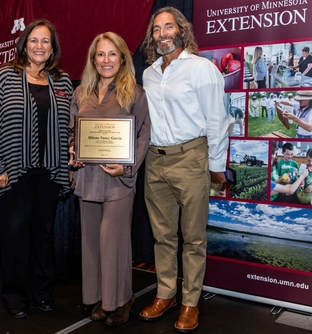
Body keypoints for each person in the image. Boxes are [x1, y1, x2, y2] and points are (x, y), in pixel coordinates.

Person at [139, 6, 229, 333]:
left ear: (181, 30)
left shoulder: (201, 68)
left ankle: (190, 302)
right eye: (156, 29)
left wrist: (215, 166)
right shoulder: (148, 74)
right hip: (154, 160)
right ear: (152, 36)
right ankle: (166, 294)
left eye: (168, 27)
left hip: (191, 157)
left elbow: (218, 120)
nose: (162, 34)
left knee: (192, 238)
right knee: (162, 236)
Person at [0, 19, 73, 319]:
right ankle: (15, 295)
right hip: (13, 172)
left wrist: (73, 153)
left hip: (49, 173)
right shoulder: (5, 77)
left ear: (52, 48)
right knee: (15, 236)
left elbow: (71, 128)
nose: (39, 46)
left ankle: (43, 292)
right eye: (34, 40)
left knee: (44, 236)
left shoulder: (61, 81)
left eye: (45, 41)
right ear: (24, 44)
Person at [68, 32, 150, 326]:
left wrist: (127, 168)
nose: (106, 60)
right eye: (100, 54)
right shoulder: (80, 93)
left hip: (118, 181)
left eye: (112, 54)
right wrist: (72, 151)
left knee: (113, 243)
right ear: (93, 60)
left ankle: (121, 299)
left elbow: (143, 136)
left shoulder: (135, 94)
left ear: (123, 58)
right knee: (91, 244)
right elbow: (72, 132)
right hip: (87, 178)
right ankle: (101, 297)